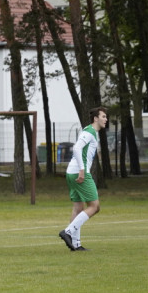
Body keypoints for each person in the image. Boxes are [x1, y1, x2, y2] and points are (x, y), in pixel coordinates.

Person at [60, 107, 108, 252]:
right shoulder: (90, 132)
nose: (106, 119)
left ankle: (75, 244)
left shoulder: (89, 130)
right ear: (96, 118)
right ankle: (68, 231)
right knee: (95, 206)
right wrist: (82, 169)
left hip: (71, 172)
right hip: (79, 172)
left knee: (78, 208)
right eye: (104, 116)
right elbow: (76, 148)